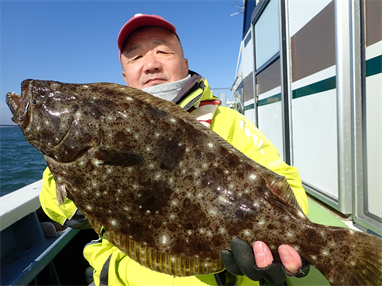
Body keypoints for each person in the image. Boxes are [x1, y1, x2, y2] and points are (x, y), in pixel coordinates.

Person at [39, 14, 310, 286]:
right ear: (125, 76)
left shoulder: (228, 122)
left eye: (163, 51)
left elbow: (282, 180)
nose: (151, 64)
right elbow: (55, 203)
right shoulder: (101, 126)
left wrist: (295, 235)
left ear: (184, 63)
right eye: (135, 57)